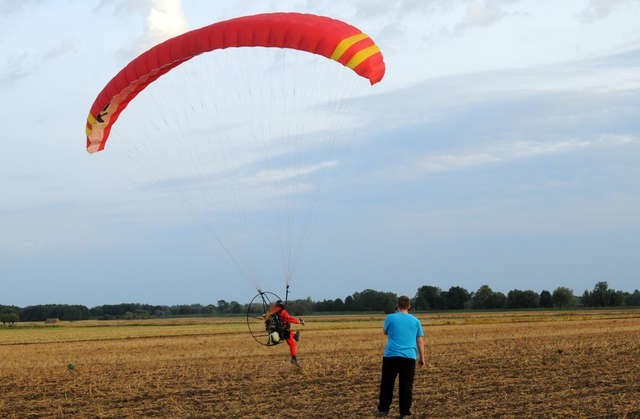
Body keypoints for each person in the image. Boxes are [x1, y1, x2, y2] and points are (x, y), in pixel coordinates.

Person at [373, 296, 425, 418]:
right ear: (409, 306)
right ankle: (405, 413)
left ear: (397, 305)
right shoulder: (416, 321)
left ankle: (383, 410)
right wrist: (422, 357)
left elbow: (385, 332)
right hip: (409, 357)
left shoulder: (390, 318)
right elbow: (420, 341)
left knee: (387, 384)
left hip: (391, 356)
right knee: (406, 386)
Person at [265, 300, 304, 365]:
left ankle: (294, 336)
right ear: (282, 306)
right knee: (292, 344)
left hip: (276, 331)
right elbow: (289, 318)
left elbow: (267, 319)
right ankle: (294, 359)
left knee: (291, 341)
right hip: (283, 331)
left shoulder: (272, 312)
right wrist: (299, 322)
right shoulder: (283, 312)